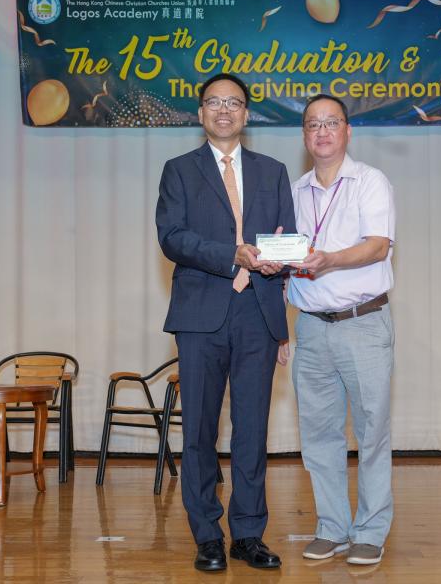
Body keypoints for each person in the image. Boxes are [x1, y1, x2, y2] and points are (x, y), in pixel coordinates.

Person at [155, 73, 296, 572]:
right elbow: (171, 238)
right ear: (200, 113)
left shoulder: (273, 171)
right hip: (201, 314)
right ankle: (207, 536)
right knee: (198, 429)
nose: (223, 110)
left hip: (257, 311)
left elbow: (286, 238)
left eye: (233, 103)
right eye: (213, 102)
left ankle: (249, 534)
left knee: (252, 430)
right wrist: (230, 254)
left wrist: (282, 265)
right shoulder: (179, 170)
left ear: (246, 113)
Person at [279, 94, 396, 565]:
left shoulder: (370, 182)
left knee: (371, 433)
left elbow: (377, 247)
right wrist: (278, 330)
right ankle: (332, 526)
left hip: (362, 323)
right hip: (310, 328)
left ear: (347, 131)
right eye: (312, 125)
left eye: (331, 123)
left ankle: (370, 530)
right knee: (319, 433)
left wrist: (328, 259)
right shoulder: (291, 191)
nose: (322, 132)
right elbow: (282, 261)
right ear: (304, 137)